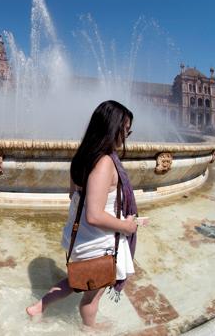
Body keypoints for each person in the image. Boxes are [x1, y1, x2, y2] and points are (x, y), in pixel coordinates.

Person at [26, 100, 139, 328]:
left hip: (80, 238)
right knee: (91, 296)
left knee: (79, 279)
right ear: (113, 128)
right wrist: (126, 226)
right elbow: (94, 215)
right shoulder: (105, 162)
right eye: (126, 130)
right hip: (97, 241)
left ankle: (39, 307)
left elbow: (74, 197)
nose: (126, 136)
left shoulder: (82, 156)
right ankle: (90, 329)